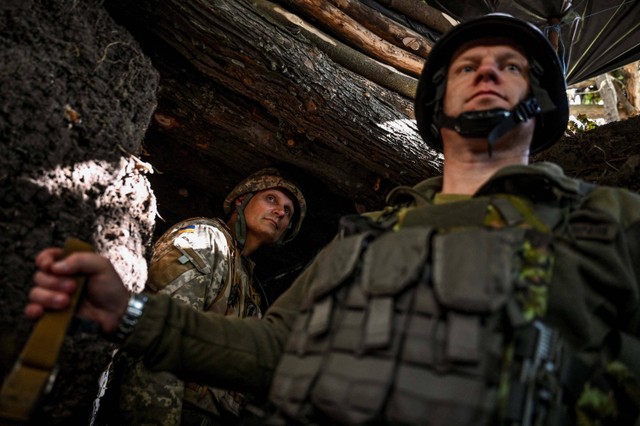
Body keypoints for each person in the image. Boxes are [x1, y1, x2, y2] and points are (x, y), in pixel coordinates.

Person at [26, 14, 640, 425]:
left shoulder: (611, 220)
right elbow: (274, 351)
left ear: (543, 102)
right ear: (437, 104)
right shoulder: (364, 242)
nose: (486, 71)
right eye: (465, 66)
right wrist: (127, 312)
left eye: (510, 66)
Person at [92, 168, 307, 425]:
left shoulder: (253, 291)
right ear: (242, 200)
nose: (281, 212)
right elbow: (160, 339)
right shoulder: (207, 239)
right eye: (271, 199)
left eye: (288, 212)